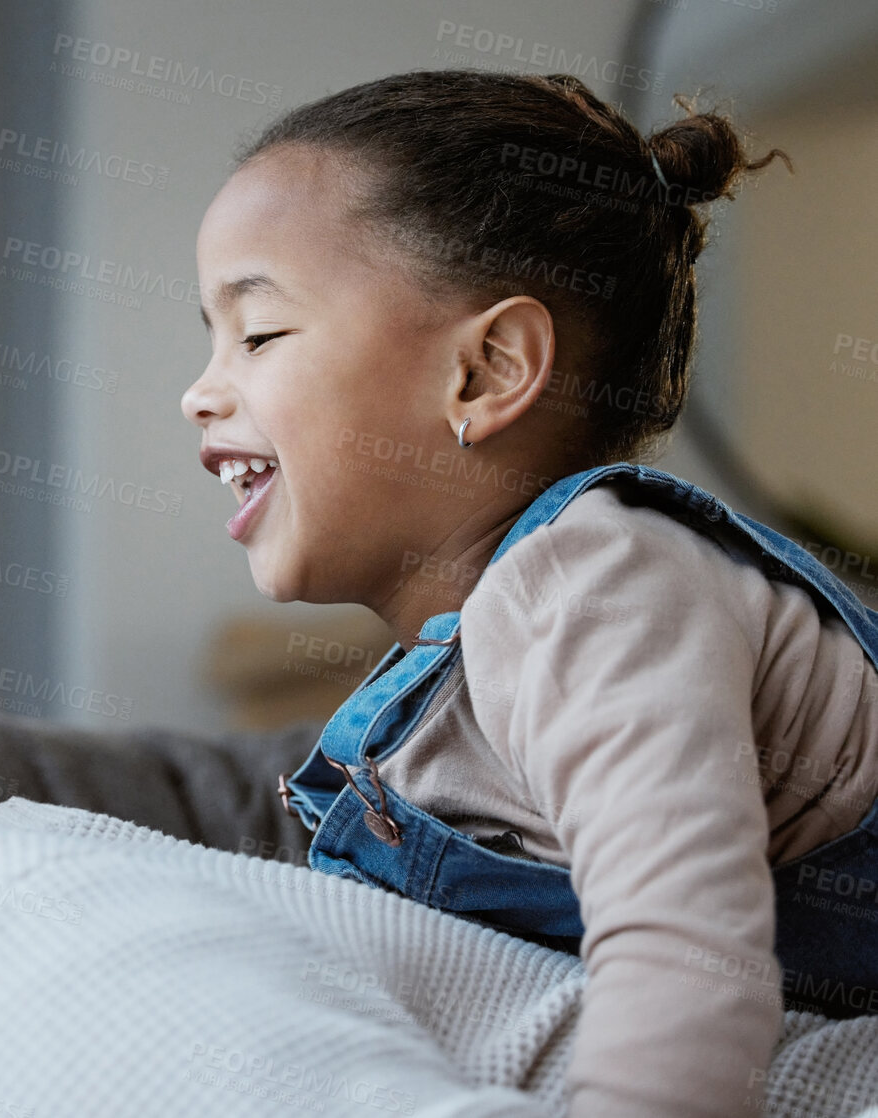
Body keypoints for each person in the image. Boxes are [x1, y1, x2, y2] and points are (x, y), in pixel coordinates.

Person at [183, 68, 877, 1117]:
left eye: (259, 332)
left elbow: (684, 959)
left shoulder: (591, 584)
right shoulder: (434, 703)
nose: (199, 389)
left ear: (487, 370)